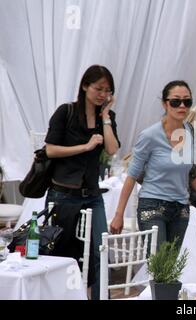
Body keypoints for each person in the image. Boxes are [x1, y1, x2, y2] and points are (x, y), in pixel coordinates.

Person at [110, 81, 196, 249]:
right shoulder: (149, 136)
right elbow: (132, 176)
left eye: (187, 101)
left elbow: (191, 173)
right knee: (159, 265)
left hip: (181, 208)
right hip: (152, 206)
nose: (182, 106)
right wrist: (119, 214)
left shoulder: (189, 131)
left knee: (170, 267)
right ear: (165, 103)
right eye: (176, 101)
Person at [45, 65, 121, 300]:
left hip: (92, 195)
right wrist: (85, 147)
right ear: (85, 86)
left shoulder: (106, 117)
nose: (103, 95)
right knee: (58, 251)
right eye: (99, 88)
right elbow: (50, 150)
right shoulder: (65, 112)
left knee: (101, 249)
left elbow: (112, 148)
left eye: (108, 90)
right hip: (63, 193)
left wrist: (106, 118)